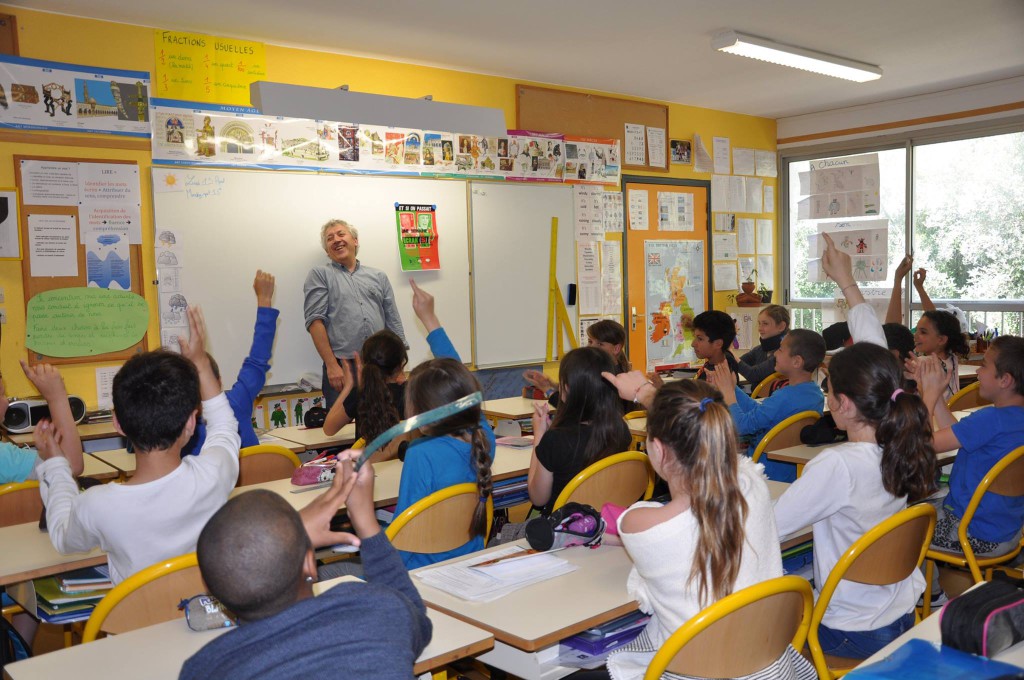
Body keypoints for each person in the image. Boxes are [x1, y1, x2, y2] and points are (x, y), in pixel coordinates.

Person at [584, 376, 814, 680]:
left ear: (657, 449)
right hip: (770, 668)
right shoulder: (754, 487)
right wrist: (650, 394)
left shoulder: (639, 524)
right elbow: (730, 460)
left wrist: (646, 395)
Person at [773, 233, 936, 659]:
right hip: (899, 615)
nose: (825, 399)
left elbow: (767, 528)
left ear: (843, 404)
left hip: (846, 630)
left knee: (754, 633)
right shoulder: (901, 441)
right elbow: (875, 352)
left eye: (827, 392)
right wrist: (845, 281)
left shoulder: (838, 466)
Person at [180, 451, 432, 680]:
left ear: (210, 590)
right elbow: (416, 615)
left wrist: (294, 540)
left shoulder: (204, 668)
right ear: (311, 564)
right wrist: (365, 520)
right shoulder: (377, 610)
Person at [36, 308, 241, 584]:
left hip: (133, 626)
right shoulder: (213, 477)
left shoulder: (97, 505)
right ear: (192, 423)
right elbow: (225, 425)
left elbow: (61, 535)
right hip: (208, 618)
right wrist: (200, 363)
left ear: (117, 424)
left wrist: (55, 465)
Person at [915, 335, 1024, 604]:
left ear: (1005, 380)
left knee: (899, 524)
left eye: (984, 365)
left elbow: (920, 444)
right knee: (925, 503)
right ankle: (930, 589)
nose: (977, 370)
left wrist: (927, 397)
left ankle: (928, 594)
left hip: (970, 532)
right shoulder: (1006, 419)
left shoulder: (991, 419)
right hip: (1008, 531)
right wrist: (938, 395)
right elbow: (959, 433)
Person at [393, 281, 495, 569]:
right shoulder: (484, 437)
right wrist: (430, 320)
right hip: (468, 560)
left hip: (422, 571)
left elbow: (403, 533)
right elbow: (459, 378)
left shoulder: (421, 454)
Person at [304, 219, 407, 409]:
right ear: (327, 251)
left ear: (355, 241)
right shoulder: (320, 274)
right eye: (330, 238)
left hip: (382, 366)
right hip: (343, 369)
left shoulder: (378, 277)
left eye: (341, 234)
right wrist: (331, 365)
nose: (336, 240)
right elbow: (314, 321)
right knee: (343, 434)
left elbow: (393, 321)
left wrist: (399, 367)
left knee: (387, 424)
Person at [708, 329, 826, 482]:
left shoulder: (785, 397)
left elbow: (742, 426)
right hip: (791, 471)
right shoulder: (815, 394)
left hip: (761, 469)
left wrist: (728, 395)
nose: (775, 354)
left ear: (796, 361)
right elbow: (758, 413)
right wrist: (732, 387)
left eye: (781, 349)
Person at [181, 270, 278, 456]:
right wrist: (264, 300)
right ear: (218, 381)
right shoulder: (236, 402)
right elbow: (258, 359)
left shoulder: (177, 428)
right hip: (253, 484)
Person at [528, 347, 632, 515]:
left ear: (567, 388)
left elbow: (538, 498)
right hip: (606, 524)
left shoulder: (555, 440)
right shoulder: (620, 430)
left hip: (564, 532)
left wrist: (539, 434)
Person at [322, 329, 407, 449]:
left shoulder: (360, 394)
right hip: (401, 466)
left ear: (364, 363)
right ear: (401, 363)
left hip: (367, 465)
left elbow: (328, 429)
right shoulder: (412, 392)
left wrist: (348, 386)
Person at [1, 362, 84, 483]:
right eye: (2, 394)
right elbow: (69, 467)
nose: (7, 402)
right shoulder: (4, 458)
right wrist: (57, 397)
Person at [523, 319, 630, 399]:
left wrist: (548, 390)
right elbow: (576, 394)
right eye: (590, 341)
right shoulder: (598, 371)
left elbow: (576, 411)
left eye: (600, 344)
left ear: (616, 348)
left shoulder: (611, 378)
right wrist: (551, 384)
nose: (592, 347)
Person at [914, 307, 971, 402]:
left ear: (941, 340)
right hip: (949, 411)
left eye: (923, 332)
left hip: (929, 413)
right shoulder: (953, 358)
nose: (915, 335)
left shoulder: (921, 362)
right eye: (916, 330)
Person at [735, 304, 790, 387]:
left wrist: (730, 351)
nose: (759, 328)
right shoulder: (760, 349)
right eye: (759, 323)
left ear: (781, 326)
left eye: (765, 324)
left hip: (772, 398)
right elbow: (738, 362)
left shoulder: (785, 352)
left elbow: (753, 375)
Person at [690, 310, 739, 381]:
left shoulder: (716, 379)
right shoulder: (712, 365)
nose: (693, 344)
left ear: (718, 343)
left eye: (700, 339)